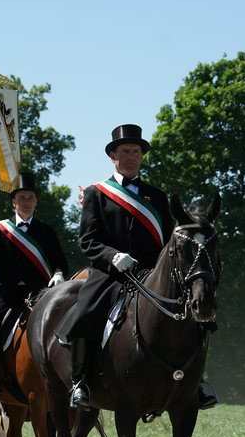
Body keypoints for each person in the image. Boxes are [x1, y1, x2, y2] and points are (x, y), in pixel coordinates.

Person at [58, 124, 217, 409]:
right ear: (113, 156)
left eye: (135, 152)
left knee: (197, 314)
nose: (130, 156)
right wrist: (113, 256)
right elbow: (87, 241)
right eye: (124, 152)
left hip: (151, 272)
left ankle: (197, 382)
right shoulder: (97, 193)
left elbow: (171, 241)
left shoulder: (156, 196)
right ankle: (80, 382)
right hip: (110, 273)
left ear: (141, 156)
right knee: (85, 313)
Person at [0, 171, 68, 398]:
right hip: (6, 291)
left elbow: (60, 261)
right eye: (22, 198)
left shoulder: (46, 230)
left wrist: (59, 274)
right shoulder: (0, 228)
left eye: (31, 197)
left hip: (40, 291)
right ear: (14, 202)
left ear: (36, 201)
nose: (27, 202)